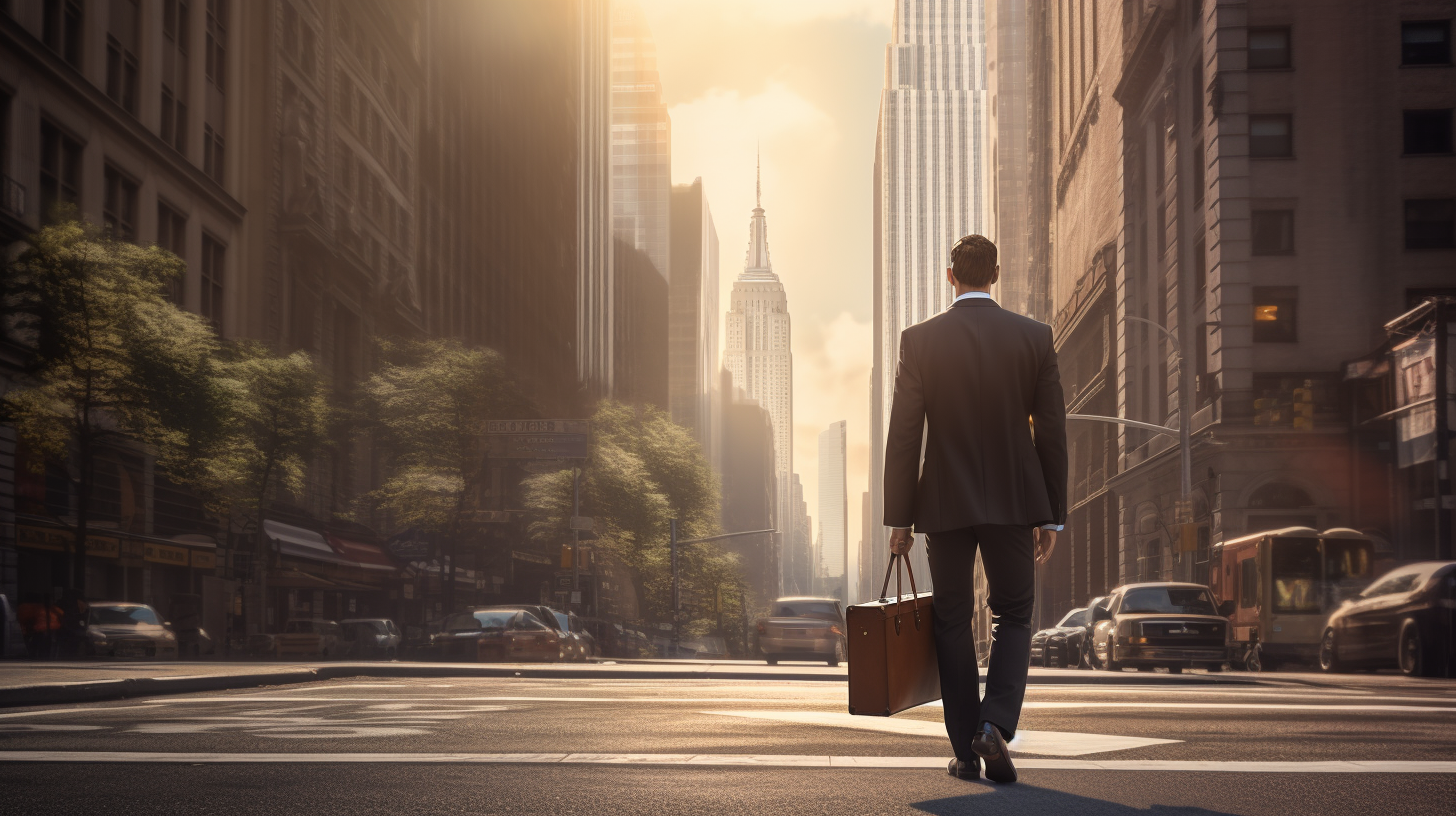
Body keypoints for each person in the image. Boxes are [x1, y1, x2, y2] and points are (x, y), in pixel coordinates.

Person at [882, 234, 1067, 784]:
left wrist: (900, 519)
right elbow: (1052, 432)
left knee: (951, 619)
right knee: (1014, 615)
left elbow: (903, 435)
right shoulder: (1034, 338)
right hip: (1014, 502)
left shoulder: (920, 341)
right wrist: (1051, 514)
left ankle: (966, 748)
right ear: (997, 274)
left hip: (944, 503)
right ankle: (996, 727)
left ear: (950, 276)